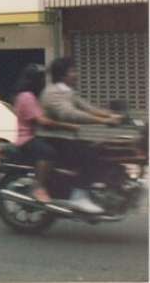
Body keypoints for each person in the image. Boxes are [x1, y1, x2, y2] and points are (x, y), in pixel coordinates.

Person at [41, 57, 122, 214]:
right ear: (63, 74)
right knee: (91, 155)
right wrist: (103, 121)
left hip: (67, 139)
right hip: (54, 140)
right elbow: (70, 114)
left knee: (103, 148)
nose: (76, 74)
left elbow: (87, 108)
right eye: (73, 71)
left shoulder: (68, 92)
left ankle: (99, 188)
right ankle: (79, 196)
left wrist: (112, 115)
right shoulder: (52, 93)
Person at [12, 64, 77, 204]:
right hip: (26, 138)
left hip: (37, 135)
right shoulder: (26, 97)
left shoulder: (34, 96)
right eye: (40, 78)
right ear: (33, 79)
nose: (43, 81)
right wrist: (66, 126)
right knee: (48, 153)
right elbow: (42, 121)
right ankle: (38, 187)